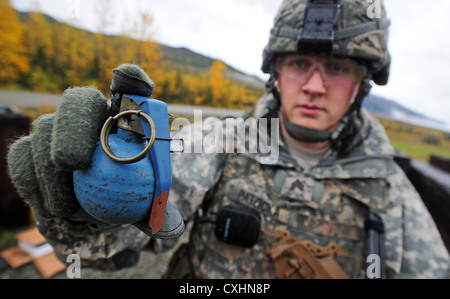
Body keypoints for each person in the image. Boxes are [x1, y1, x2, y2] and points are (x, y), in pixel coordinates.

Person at [7, 0, 449, 279]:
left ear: (361, 85)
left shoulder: (390, 190)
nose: (315, 85)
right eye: (299, 64)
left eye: (337, 68)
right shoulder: (218, 144)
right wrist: (78, 209)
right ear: (276, 74)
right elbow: (106, 251)